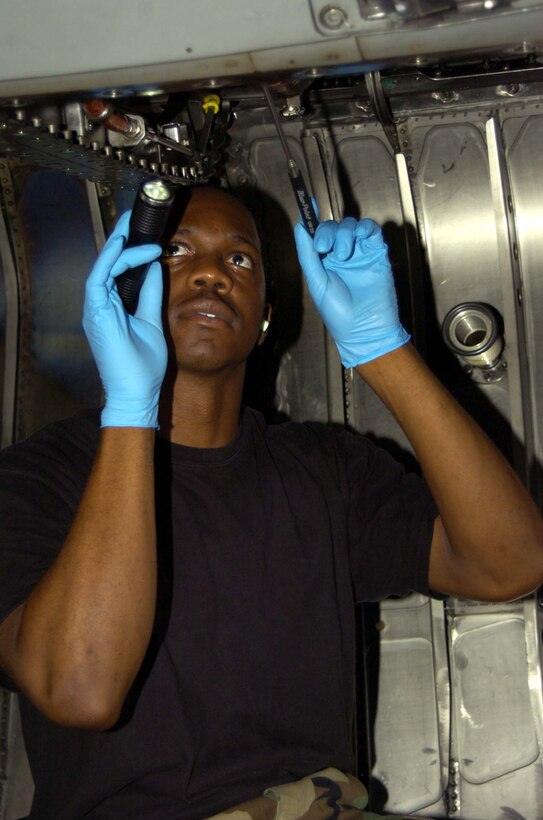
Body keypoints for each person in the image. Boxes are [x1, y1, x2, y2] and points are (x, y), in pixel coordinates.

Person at [0, 185, 541, 820]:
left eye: (239, 261)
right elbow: (81, 691)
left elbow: (510, 563)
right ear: (124, 290)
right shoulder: (34, 482)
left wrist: (382, 349)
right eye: (176, 251)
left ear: (265, 318)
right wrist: (129, 410)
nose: (208, 273)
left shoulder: (325, 469)